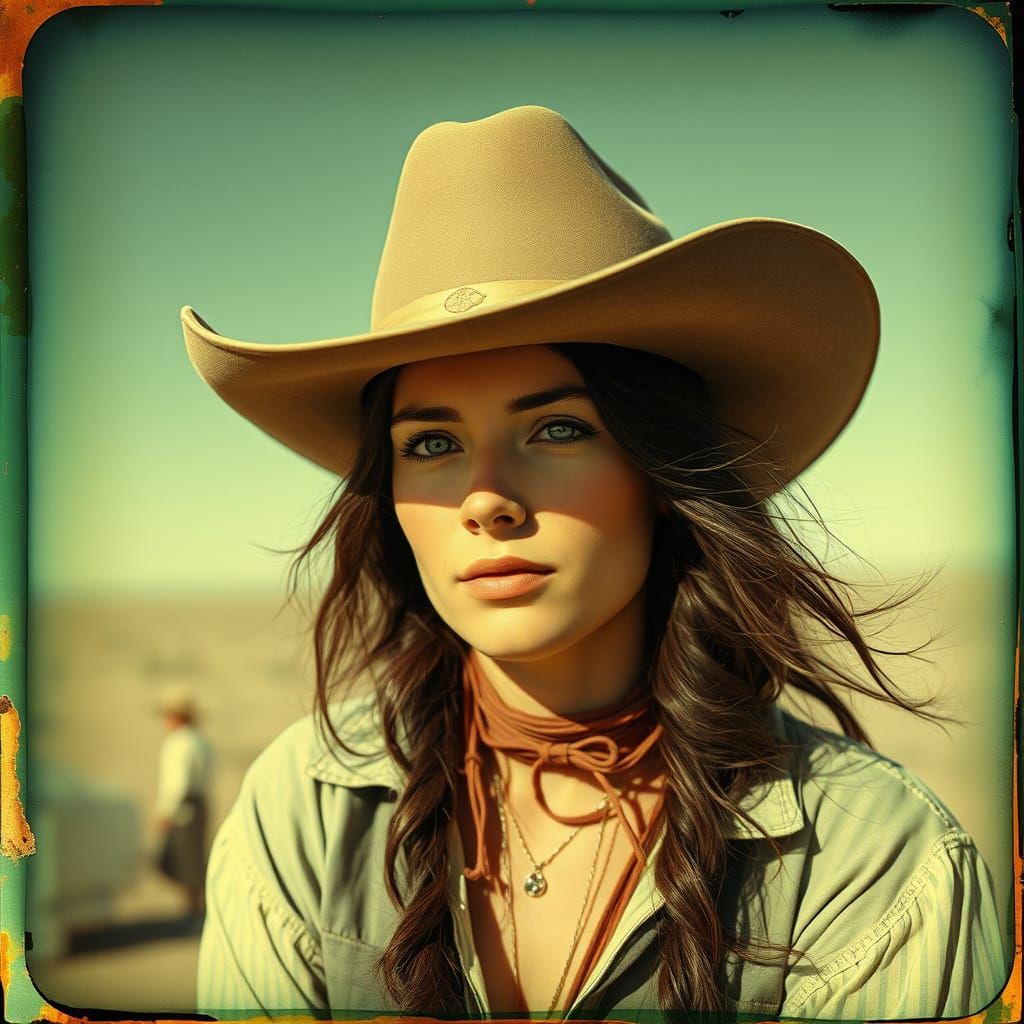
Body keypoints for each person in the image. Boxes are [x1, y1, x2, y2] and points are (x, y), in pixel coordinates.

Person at [180, 105, 1007, 1018]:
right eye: (430, 444)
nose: (487, 497)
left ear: (660, 470)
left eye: (558, 428)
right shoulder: (306, 809)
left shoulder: (874, 859)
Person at [153, 685, 214, 918]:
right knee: (194, 855)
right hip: (199, 804)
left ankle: (193, 907)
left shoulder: (179, 743)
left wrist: (166, 811)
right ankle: (195, 905)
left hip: (184, 805)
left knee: (182, 858)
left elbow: (178, 782)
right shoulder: (201, 741)